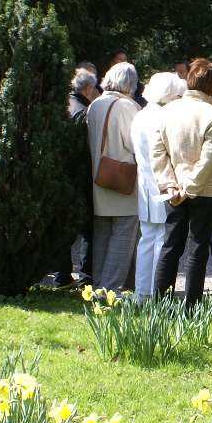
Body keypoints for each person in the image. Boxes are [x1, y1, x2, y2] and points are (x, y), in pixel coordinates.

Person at [153, 58, 212, 305]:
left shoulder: (167, 110)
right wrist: (188, 188)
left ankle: (160, 303)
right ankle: (191, 306)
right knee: (197, 247)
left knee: (171, 245)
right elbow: (208, 158)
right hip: (203, 189)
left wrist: (170, 185)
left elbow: (158, 152)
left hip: (174, 189)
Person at [85, 62, 141, 293]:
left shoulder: (96, 104)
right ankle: (110, 289)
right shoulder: (127, 106)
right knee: (122, 236)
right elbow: (136, 144)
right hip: (122, 178)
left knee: (102, 236)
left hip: (99, 176)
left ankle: (98, 285)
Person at [132, 71, 187, 299]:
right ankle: (156, 292)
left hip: (145, 182)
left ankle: (142, 291)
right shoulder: (164, 117)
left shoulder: (141, 115)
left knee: (147, 239)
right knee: (160, 241)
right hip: (162, 184)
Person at [56, 66, 99, 287]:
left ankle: (62, 274)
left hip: (62, 173)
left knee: (65, 227)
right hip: (81, 174)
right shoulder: (84, 112)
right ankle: (85, 277)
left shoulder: (63, 104)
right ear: (89, 88)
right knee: (86, 228)